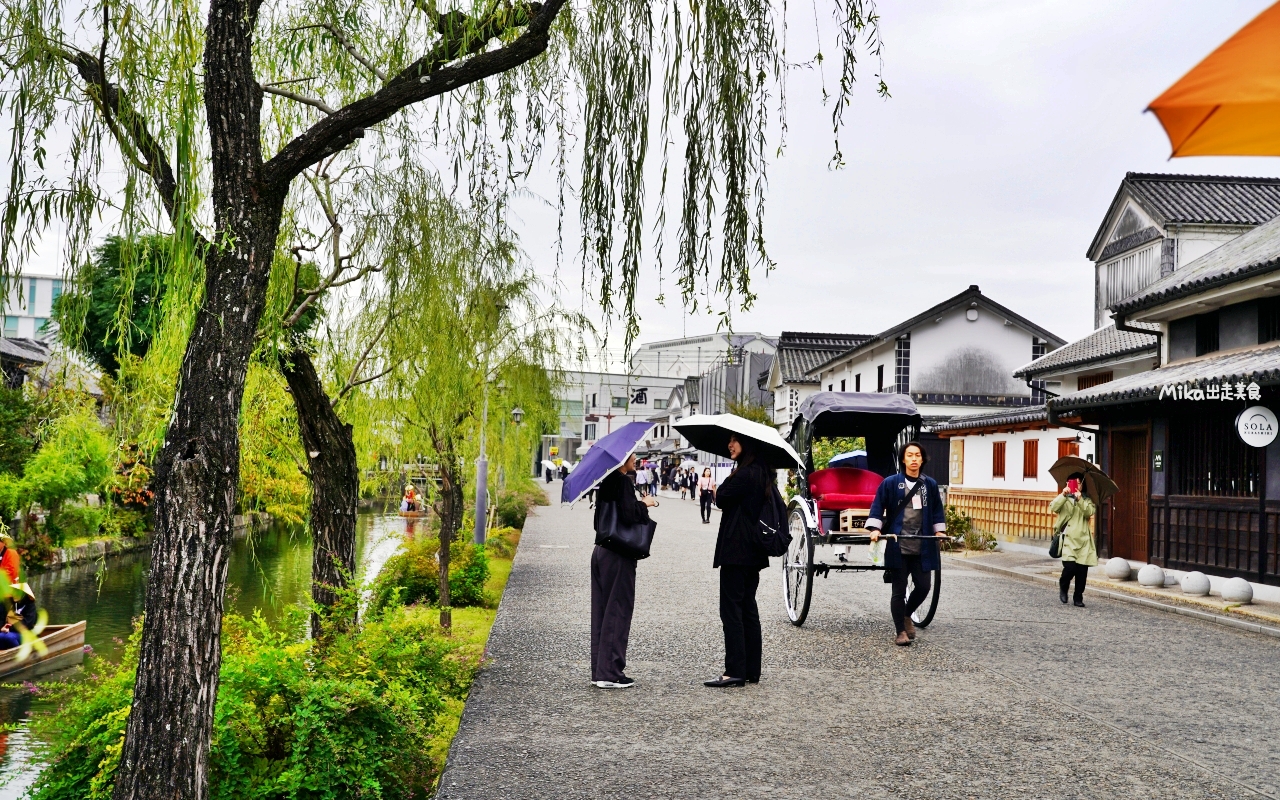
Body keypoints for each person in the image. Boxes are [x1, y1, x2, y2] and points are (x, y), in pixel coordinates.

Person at [705, 435, 771, 688]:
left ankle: (734, 670)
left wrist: (722, 485)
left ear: (748, 444)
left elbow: (720, 498)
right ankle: (751, 669)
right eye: (728, 440)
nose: (729, 445)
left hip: (736, 549)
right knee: (747, 609)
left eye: (734, 441)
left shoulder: (744, 474)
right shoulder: (761, 473)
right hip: (753, 551)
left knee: (731, 610)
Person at [867, 442, 946, 647]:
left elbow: (937, 510)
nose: (913, 459)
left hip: (923, 545)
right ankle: (900, 631)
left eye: (917, 455)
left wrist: (939, 531)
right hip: (898, 544)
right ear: (903, 459)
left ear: (922, 459)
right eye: (909, 455)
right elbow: (878, 505)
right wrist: (875, 528)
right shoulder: (891, 483)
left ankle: (906, 614)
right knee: (899, 591)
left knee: (923, 587)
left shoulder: (929, 484)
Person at [591, 454, 658, 689]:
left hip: (601, 550)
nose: (636, 458)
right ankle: (610, 673)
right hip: (619, 553)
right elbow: (630, 515)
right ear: (622, 459)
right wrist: (646, 504)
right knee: (618, 610)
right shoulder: (622, 482)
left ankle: (600, 670)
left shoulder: (606, 481)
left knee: (602, 610)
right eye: (632, 454)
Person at [1052, 474, 1097, 607]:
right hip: (1068, 540)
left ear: (1083, 485)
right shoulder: (1064, 498)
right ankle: (1063, 586)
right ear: (1067, 483)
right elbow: (1053, 507)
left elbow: (1089, 512)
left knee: (1082, 572)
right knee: (1070, 568)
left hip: (1083, 541)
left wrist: (1080, 500)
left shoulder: (1087, 499)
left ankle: (1078, 597)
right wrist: (1063, 495)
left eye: (1079, 483)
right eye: (1073, 483)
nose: (1076, 485)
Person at [0, 583, 37, 650]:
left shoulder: (30, 605)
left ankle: (20, 655)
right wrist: (1, 628)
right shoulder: (5, 603)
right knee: (2, 636)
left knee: (9, 637)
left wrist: (9, 628)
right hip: (6, 631)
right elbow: (1, 618)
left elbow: (27, 623)